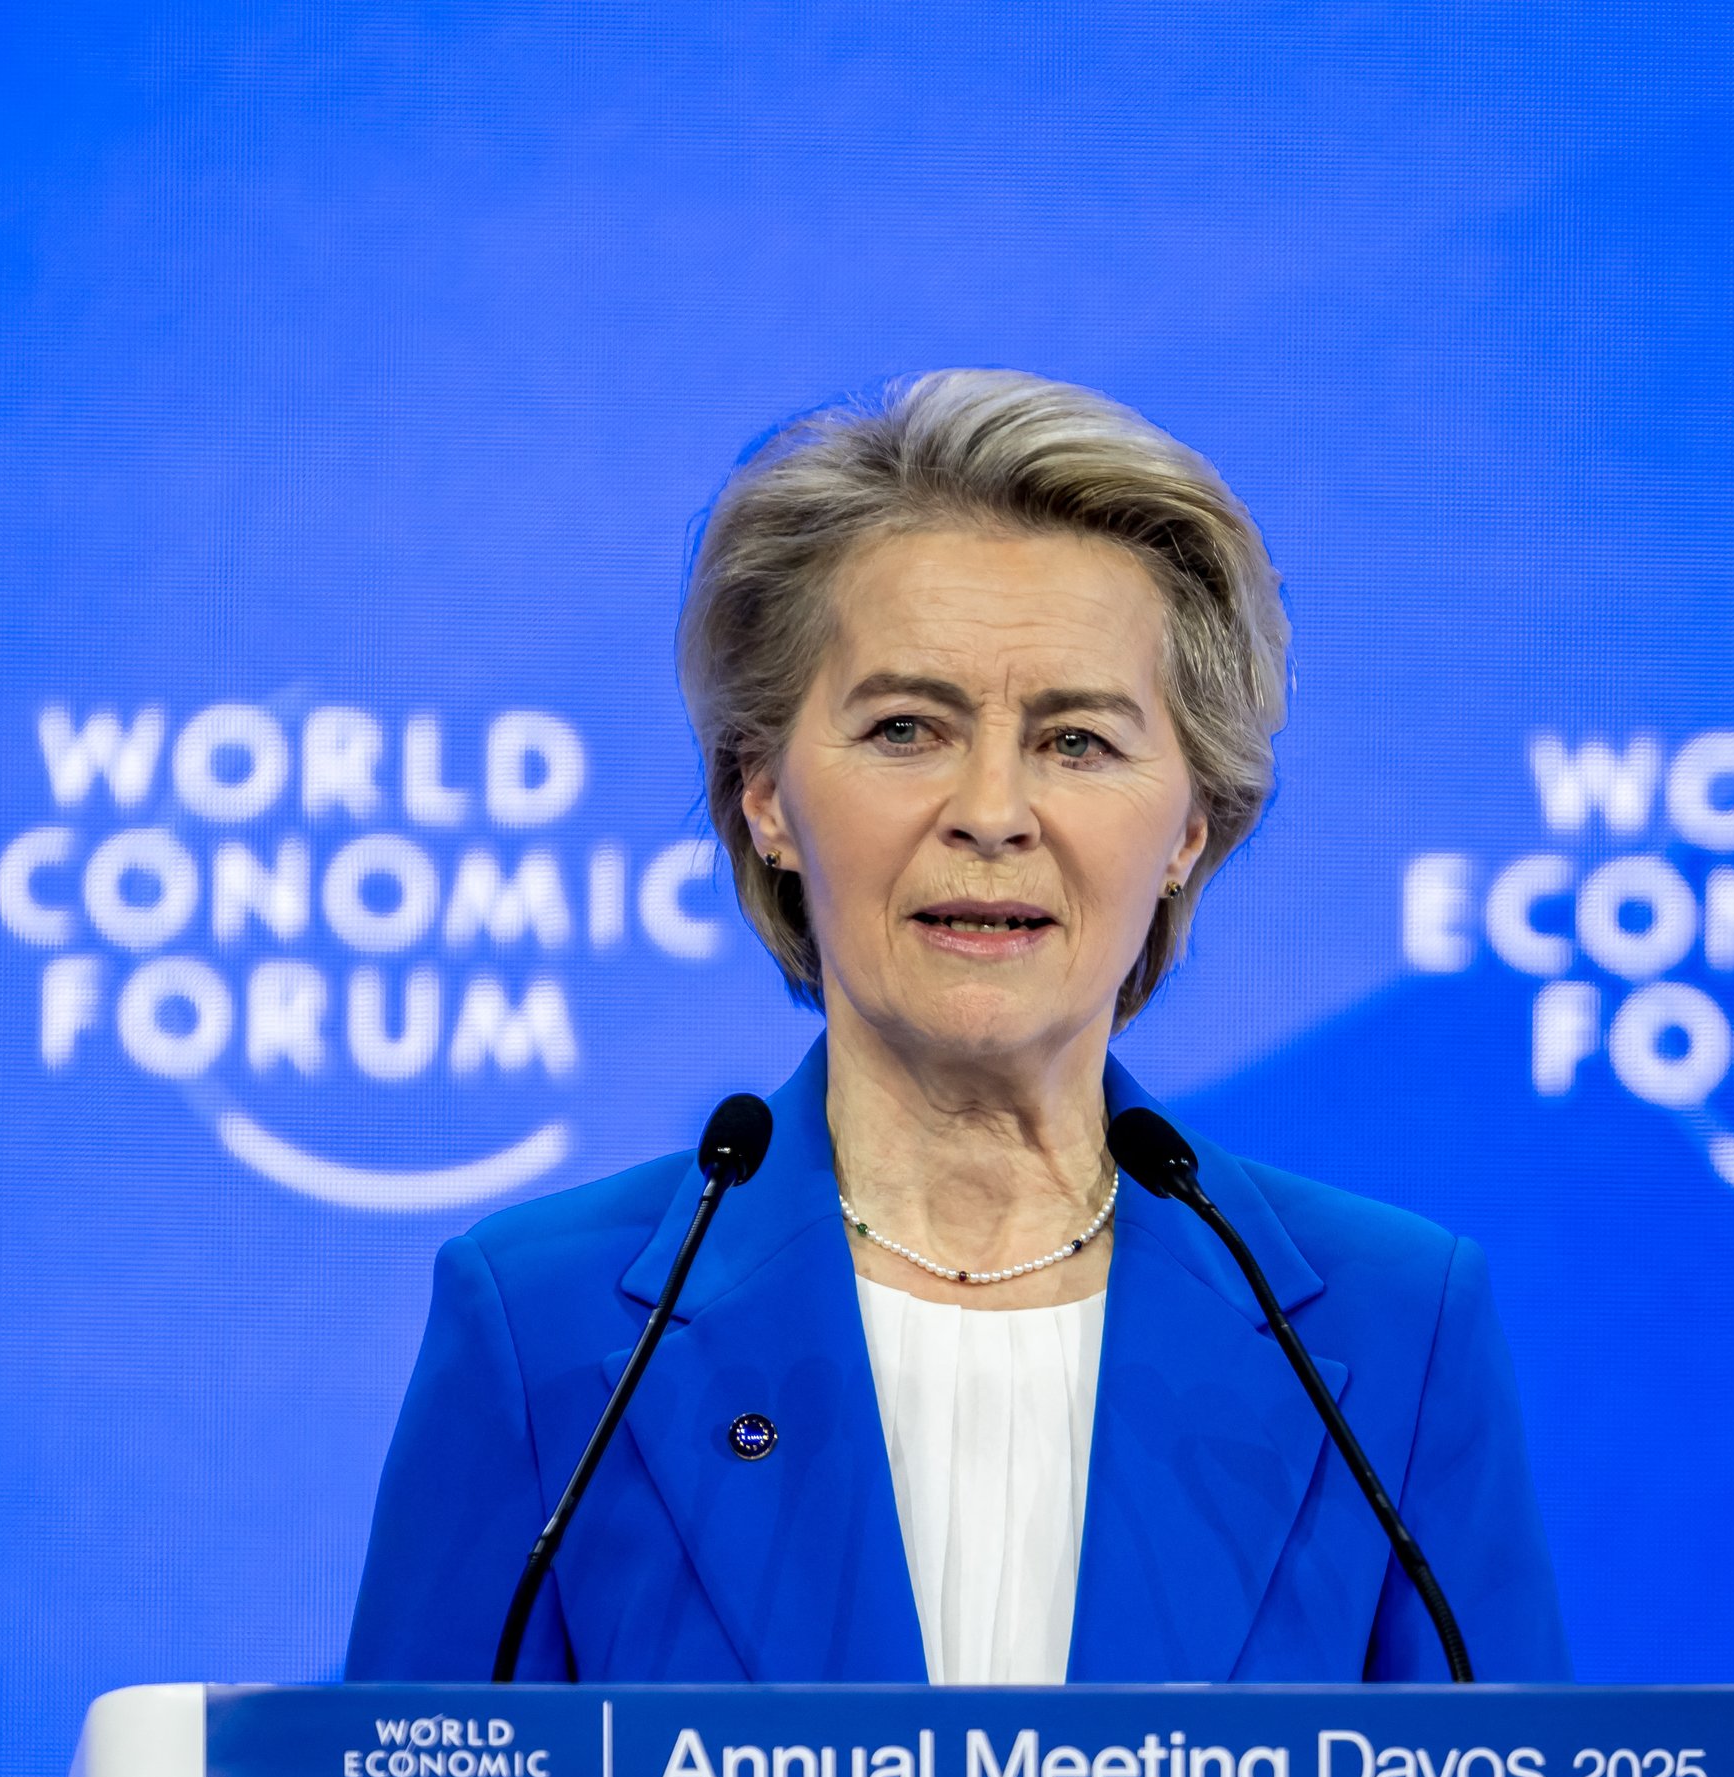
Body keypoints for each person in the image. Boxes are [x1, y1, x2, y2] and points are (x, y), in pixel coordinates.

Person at [346, 370, 1568, 1686]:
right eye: (907, 728)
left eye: (1079, 742)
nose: (993, 810)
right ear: (764, 795)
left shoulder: (1393, 1327)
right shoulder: (549, 1323)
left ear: (1190, 827)